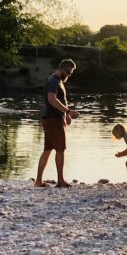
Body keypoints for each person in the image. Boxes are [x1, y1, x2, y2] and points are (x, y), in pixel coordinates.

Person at [34, 59, 80, 187]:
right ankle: (60, 180)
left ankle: (38, 181)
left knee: (47, 149)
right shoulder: (54, 81)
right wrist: (69, 111)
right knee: (60, 149)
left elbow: (59, 100)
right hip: (53, 119)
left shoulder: (57, 81)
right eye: (69, 72)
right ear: (62, 69)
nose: (70, 75)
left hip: (51, 118)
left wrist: (66, 114)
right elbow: (52, 99)